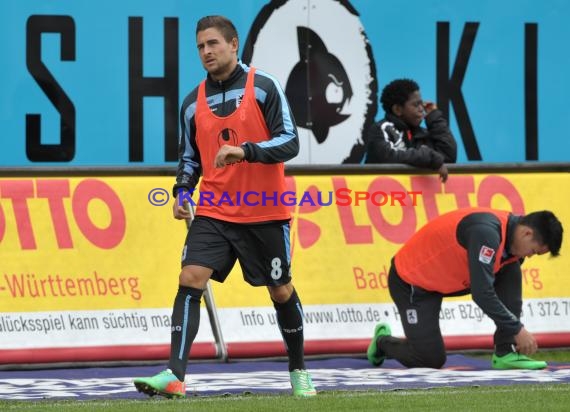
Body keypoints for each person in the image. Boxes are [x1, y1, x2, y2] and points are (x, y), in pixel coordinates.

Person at [133, 15, 316, 398]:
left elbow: (290, 141)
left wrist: (245, 151)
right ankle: (174, 375)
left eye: (213, 44)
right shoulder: (191, 102)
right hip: (215, 210)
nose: (206, 52)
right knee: (189, 278)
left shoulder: (263, 87)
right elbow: (189, 159)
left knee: (280, 291)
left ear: (234, 45)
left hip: (264, 209)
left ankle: (299, 370)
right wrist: (182, 192)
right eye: (200, 46)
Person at [366, 207, 563, 370]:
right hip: (412, 283)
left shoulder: (513, 242)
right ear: (526, 233)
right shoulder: (487, 233)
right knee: (429, 360)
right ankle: (382, 342)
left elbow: (499, 290)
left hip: (445, 277)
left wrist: (512, 331)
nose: (529, 256)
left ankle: (506, 352)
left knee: (510, 269)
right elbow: (482, 293)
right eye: (533, 251)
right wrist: (517, 328)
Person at [362, 78, 457, 182]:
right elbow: (389, 157)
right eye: (416, 105)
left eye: (422, 104)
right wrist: (428, 156)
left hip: (416, 197)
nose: (421, 109)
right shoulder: (381, 129)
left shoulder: (422, 133)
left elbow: (448, 157)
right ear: (398, 110)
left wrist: (434, 118)